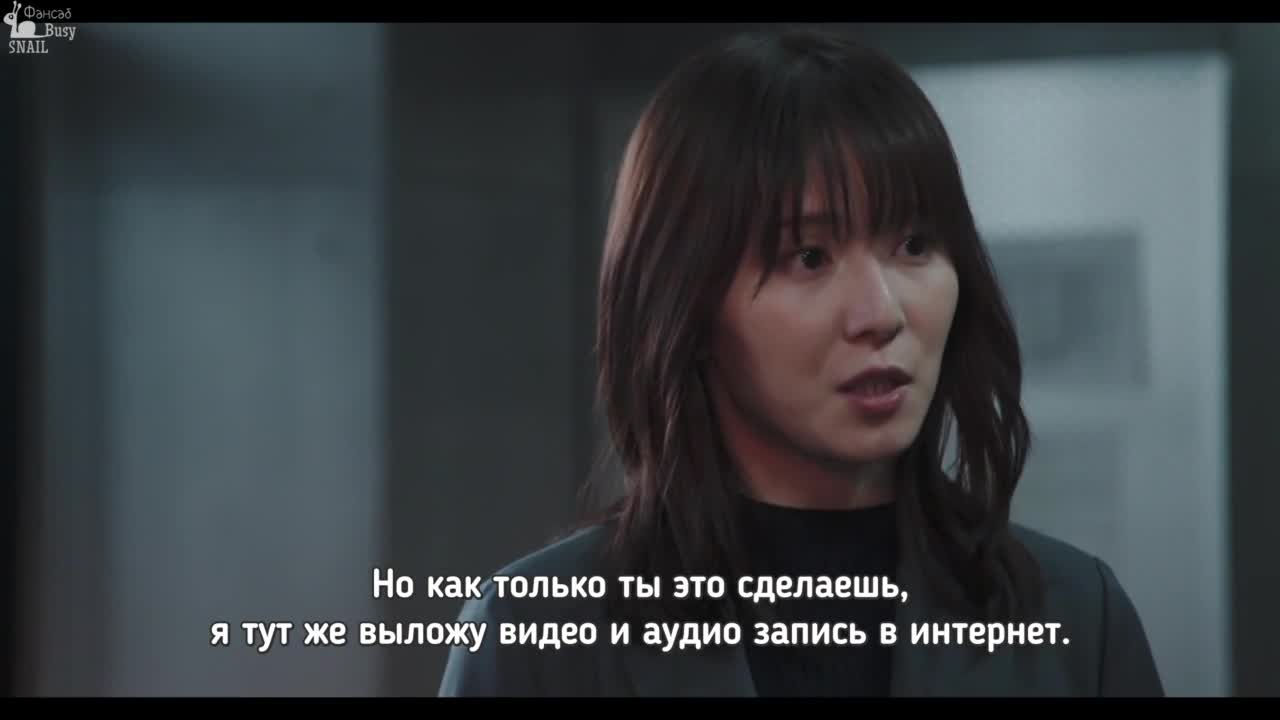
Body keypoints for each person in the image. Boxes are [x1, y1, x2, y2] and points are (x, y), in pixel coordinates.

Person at [437, 26, 1165, 697]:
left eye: (914, 245)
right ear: (686, 303)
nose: (881, 312)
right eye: (809, 257)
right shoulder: (536, 640)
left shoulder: (1078, 620)